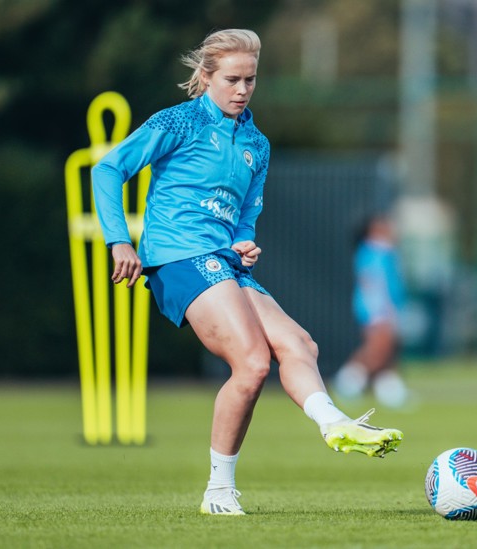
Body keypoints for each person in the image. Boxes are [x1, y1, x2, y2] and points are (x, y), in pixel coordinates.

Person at [91, 29, 402, 516]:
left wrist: (243, 241)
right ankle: (218, 491)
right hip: (177, 256)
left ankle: (335, 424)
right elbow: (108, 169)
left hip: (222, 260)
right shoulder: (177, 122)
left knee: (301, 345)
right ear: (205, 77)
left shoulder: (257, 143)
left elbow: (243, 217)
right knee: (253, 361)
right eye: (232, 79)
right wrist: (118, 240)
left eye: (250, 80)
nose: (241, 90)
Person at [333, 214, 410, 408]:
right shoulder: (373, 252)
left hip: (385, 308)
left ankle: (390, 391)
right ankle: (346, 383)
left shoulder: (383, 251)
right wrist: (382, 312)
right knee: (377, 349)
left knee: (388, 351)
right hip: (377, 309)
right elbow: (374, 283)